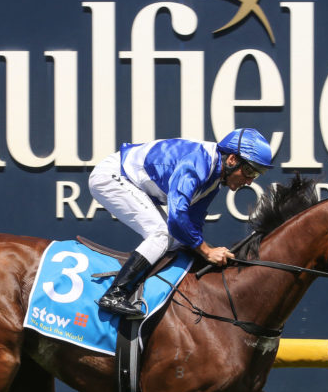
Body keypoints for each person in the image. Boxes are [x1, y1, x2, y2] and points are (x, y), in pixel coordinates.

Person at [88, 128, 273, 318]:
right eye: (249, 171)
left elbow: (193, 224)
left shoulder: (214, 180)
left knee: (178, 241)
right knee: (161, 233)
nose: (249, 181)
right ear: (232, 159)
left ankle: (146, 293)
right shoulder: (198, 163)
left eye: (256, 175)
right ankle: (114, 294)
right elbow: (177, 217)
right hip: (113, 176)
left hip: (132, 182)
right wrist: (207, 252)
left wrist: (208, 251)